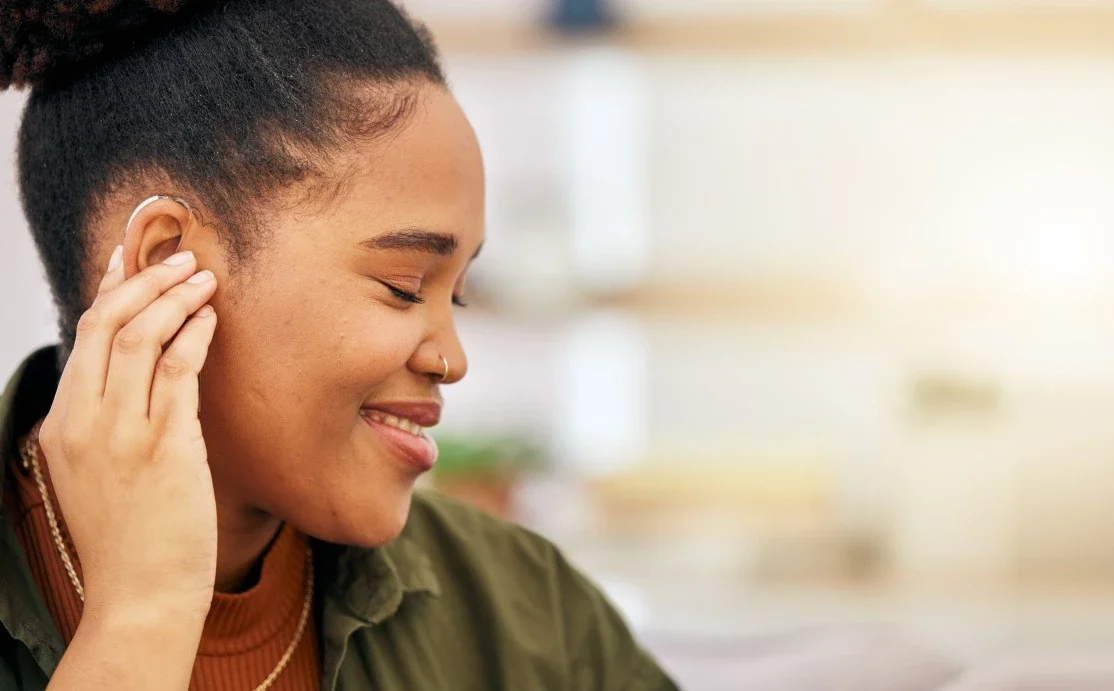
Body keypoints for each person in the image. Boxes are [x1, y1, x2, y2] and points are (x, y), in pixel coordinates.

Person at [0, 1, 678, 689]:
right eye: (405, 285)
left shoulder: (525, 612)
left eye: (460, 294)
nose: (452, 358)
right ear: (167, 263)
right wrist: (138, 620)